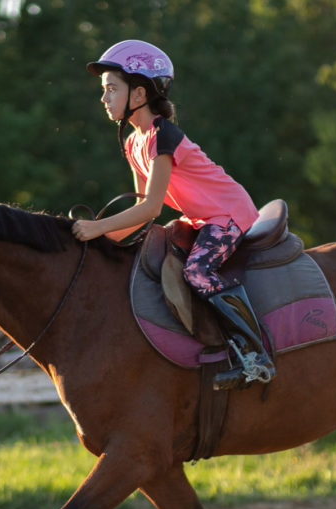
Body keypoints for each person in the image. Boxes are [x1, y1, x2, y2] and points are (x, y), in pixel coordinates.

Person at [72, 39, 275, 390]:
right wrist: (99, 243)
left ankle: (255, 356)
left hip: (226, 214)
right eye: (104, 91)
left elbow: (152, 206)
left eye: (110, 89)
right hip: (201, 218)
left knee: (197, 271)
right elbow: (141, 213)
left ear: (138, 95)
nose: (103, 98)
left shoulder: (161, 136)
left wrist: (95, 229)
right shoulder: (134, 141)